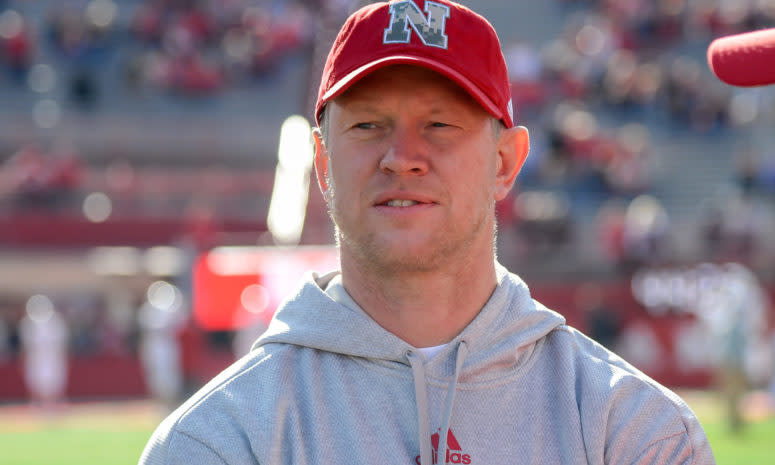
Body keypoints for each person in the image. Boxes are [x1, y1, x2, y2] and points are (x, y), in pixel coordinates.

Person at [140, 1, 715, 464]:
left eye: (440, 123)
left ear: (505, 162)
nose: (401, 157)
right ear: (321, 162)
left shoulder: (635, 433)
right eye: (367, 124)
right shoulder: (215, 441)